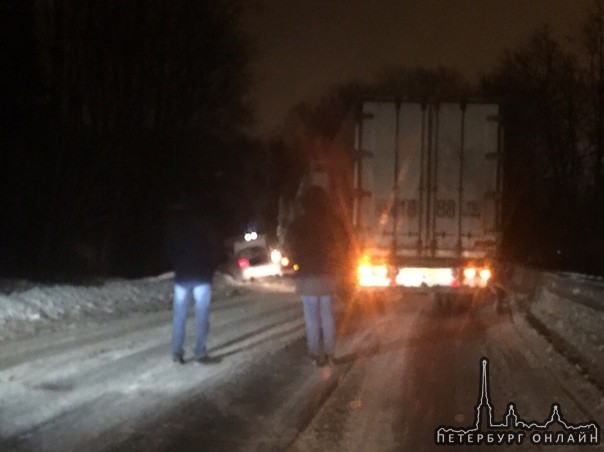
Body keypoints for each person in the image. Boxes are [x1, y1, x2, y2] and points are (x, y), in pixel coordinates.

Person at [285, 185, 349, 367]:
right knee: (327, 314)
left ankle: (316, 353)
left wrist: (295, 261)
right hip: (327, 273)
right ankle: (331, 353)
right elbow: (343, 245)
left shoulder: (298, 224)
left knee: (311, 317)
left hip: (306, 274)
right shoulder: (333, 222)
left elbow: (290, 247)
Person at [165, 192, 224, 365]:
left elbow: (169, 248)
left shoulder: (174, 225)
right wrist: (210, 269)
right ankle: (200, 352)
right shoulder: (204, 223)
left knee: (179, 316)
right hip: (201, 276)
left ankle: (177, 353)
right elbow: (214, 248)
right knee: (201, 316)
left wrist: (178, 266)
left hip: (182, 276)